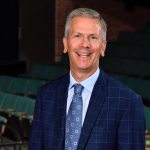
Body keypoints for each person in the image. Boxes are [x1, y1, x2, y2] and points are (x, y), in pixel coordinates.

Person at [29, 8, 145, 150]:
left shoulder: (127, 102)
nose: (85, 44)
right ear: (65, 44)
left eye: (93, 37)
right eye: (77, 36)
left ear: (103, 47)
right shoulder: (46, 95)